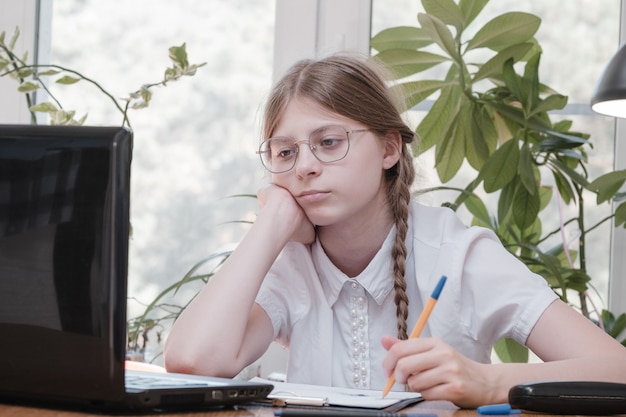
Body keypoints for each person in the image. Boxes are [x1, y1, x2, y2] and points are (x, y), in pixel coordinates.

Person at [163, 53, 626, 408]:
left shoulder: (456, 253)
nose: (303, 166)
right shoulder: (289, 263)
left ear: (389, 148)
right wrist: (274, 221)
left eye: (328, 143)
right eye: (284, 153)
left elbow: (617, 369)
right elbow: (193, 363)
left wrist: (487, 383)